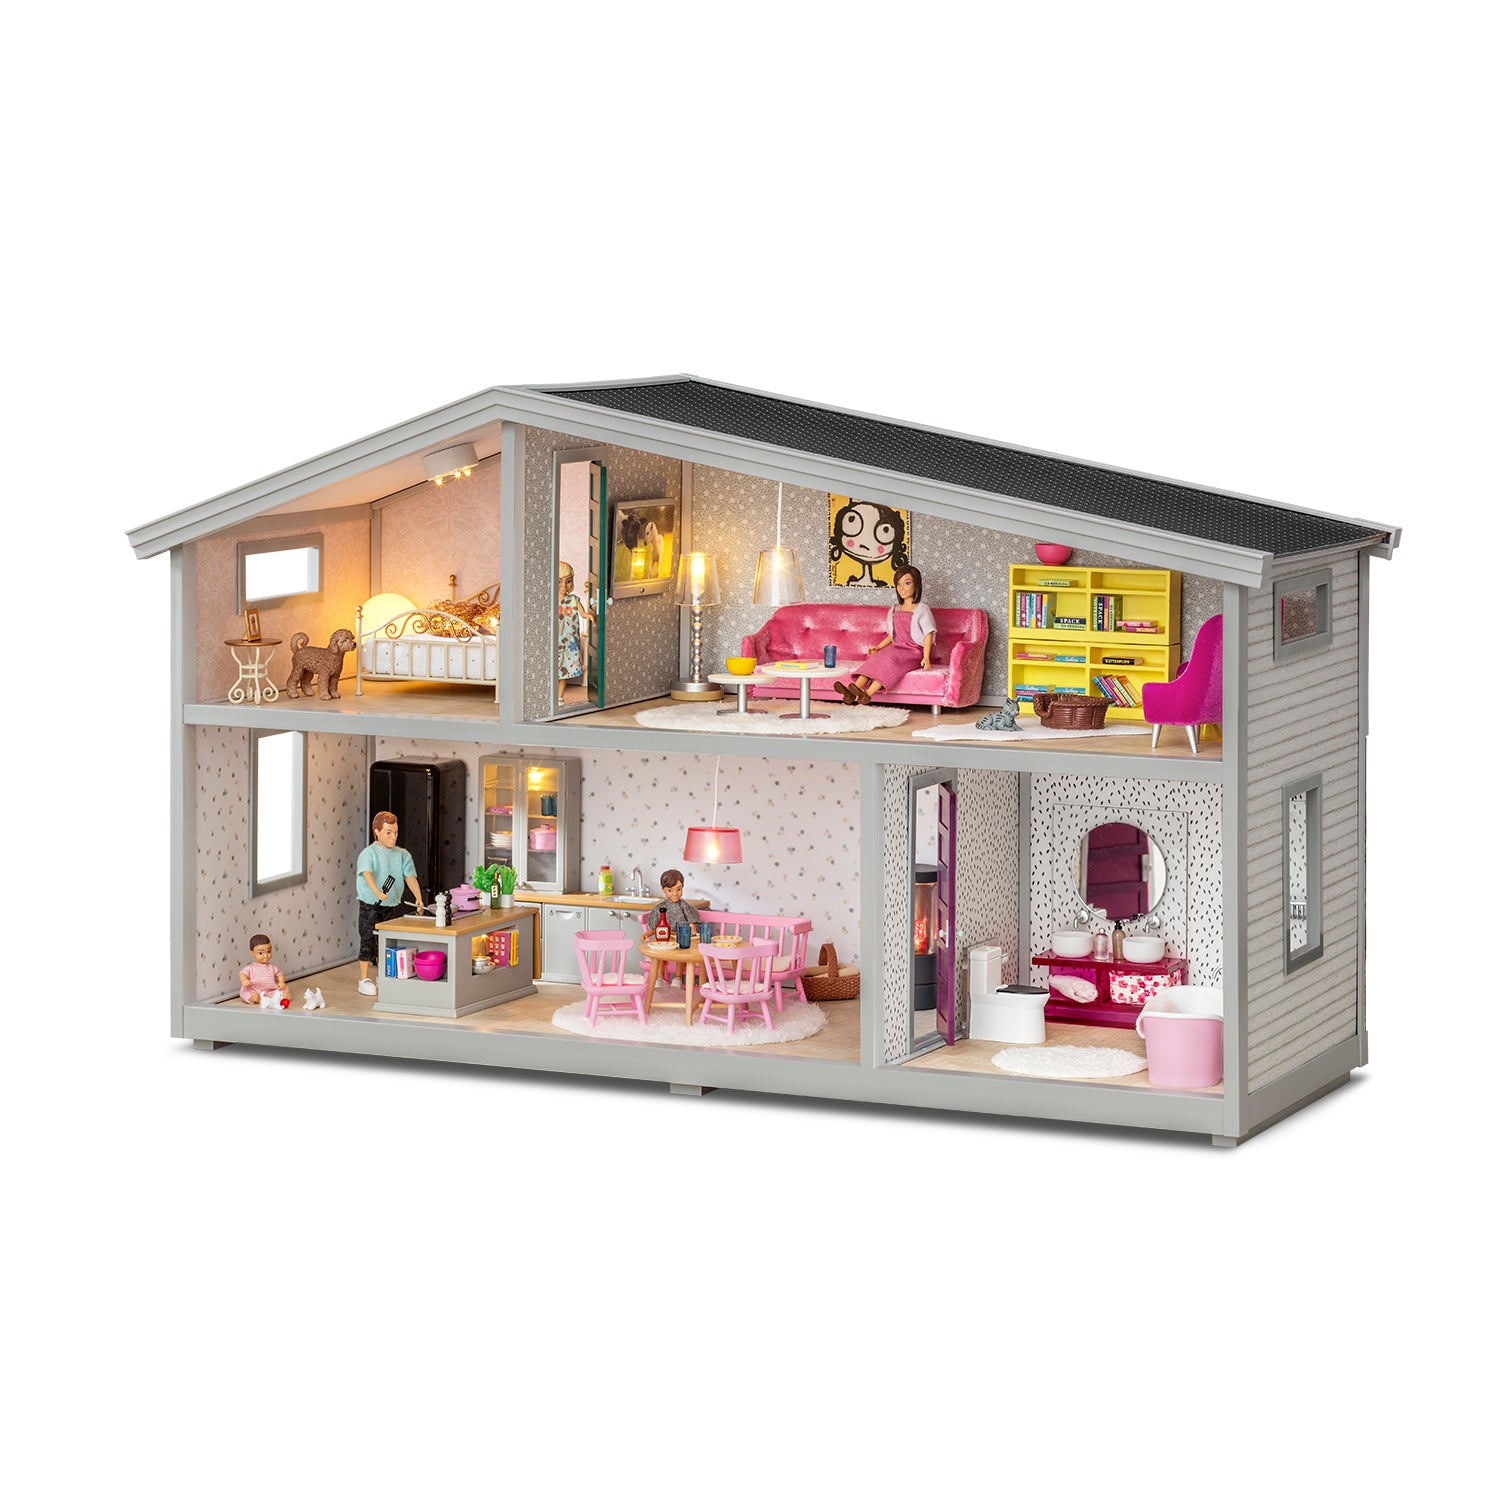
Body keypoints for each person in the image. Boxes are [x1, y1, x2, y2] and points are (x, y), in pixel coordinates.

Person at [835, 564, 936, 705]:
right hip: (896, 648)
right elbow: (892, 634)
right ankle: (852, 690)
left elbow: (928, 634)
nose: (902, 588)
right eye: (898, 584)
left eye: (907, 583)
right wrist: (878, 647)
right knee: (876, 658)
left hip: (913, 652)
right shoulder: (895, 609)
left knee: (889, 661)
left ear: (916, 585)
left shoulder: (922, 609)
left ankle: (867, 694)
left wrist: (926, 657)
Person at [356, 811, 424, 996]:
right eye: (388, 832)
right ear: (377, 832)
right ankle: (364, 978)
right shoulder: (368, 854)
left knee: (386, 941)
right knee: (367, 939)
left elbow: (410, 877)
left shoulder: (402, 855)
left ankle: (384, 974)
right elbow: (367, 874)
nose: (393, 836)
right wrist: (377, 892)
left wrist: (418, 898)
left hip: (391, 905)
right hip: (370, 904)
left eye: (395, 832)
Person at [557, 563, 596, 705]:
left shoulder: (573, 600)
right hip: (554, 641)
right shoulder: (549, 600)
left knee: (563, 673)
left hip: (569, 642)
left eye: (568, 581)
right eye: (559, 581)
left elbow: (583, 613)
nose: (564, 586)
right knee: (552, 669)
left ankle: (559, 698)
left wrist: (589, 616)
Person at [239, 933, 286, 1006]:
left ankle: (282, 997)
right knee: (245, 992)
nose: (266, 955)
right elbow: (242, 973)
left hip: (271, 990)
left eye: (269, 951)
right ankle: (254, 998)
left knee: (282, 990)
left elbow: (280, 974)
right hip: (255, 989)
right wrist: (244, 980)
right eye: (260, 953)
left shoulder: (272, 967)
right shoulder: (251, 967)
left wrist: (281, 982)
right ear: (252, 953)